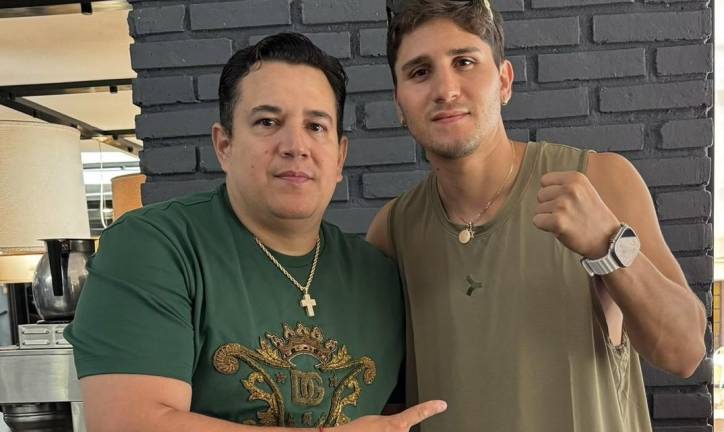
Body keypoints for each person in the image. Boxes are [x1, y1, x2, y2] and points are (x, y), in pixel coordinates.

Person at [65, 33, 445, 432]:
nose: (295, 145)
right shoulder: (153, 247)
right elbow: (130, 424)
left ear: (339, 157)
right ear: (224, 145)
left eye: (316, 126)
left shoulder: (379, 277)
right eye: (268, 122)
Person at [366, 1, 707, 431]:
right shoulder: (394, 230)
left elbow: (685, 352)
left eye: (465, 62)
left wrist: (609, 245)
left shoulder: (600, 179)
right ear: (399, 103)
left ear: (504, 81)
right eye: (419, 72)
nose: (446, 89)